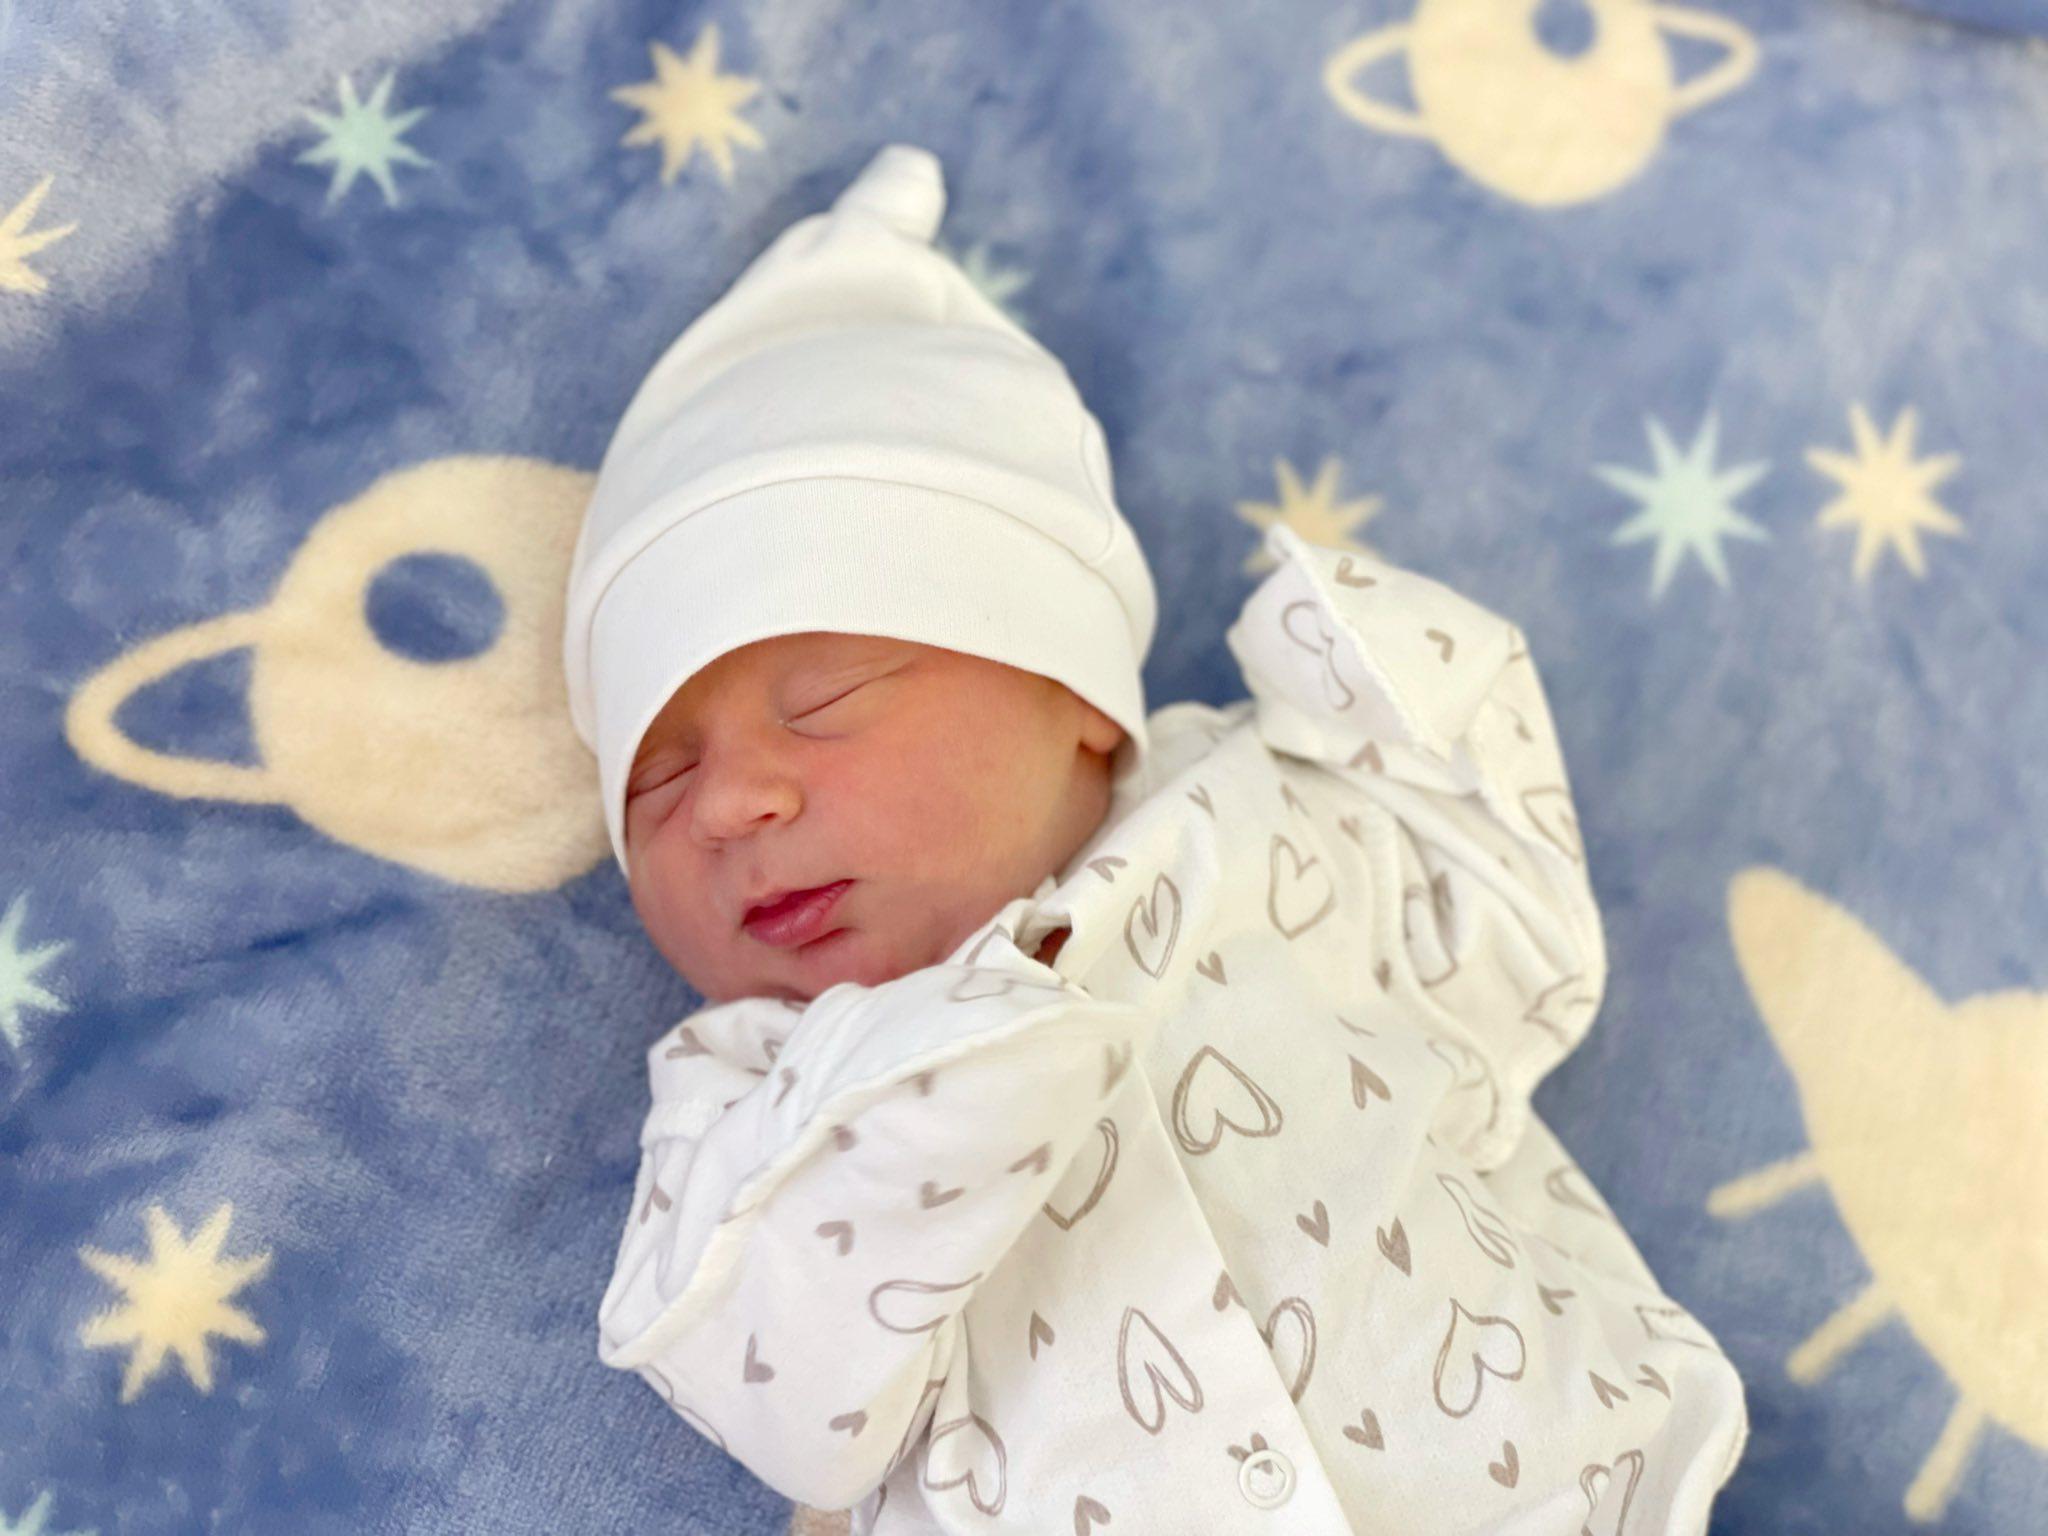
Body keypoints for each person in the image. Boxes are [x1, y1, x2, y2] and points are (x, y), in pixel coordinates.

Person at [560, 141, 1747, 1535]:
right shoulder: (744, 1100)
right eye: (657, 781)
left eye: (823, 700)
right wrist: (926, 1111)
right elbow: (787, 1410)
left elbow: (1510, 967)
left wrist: (1404, 687)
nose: (725, 805)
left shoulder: (1257, 808)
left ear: (1072, 690)